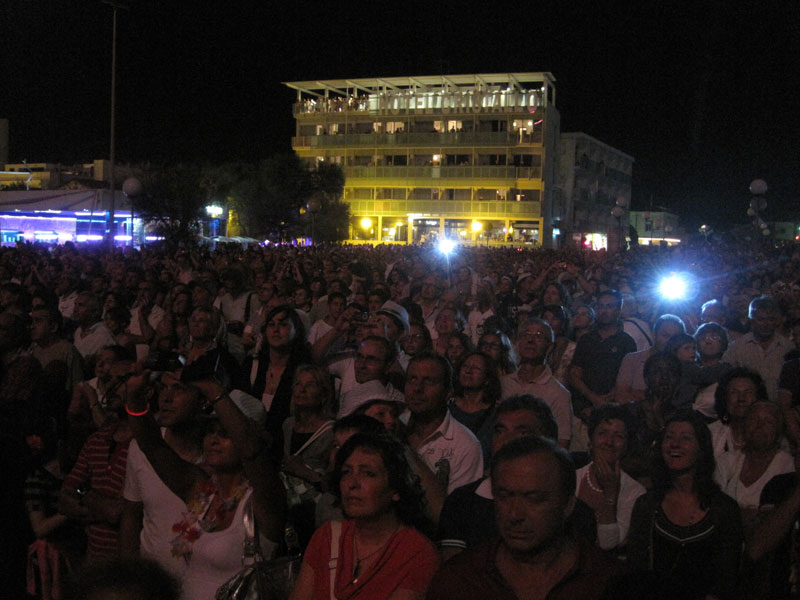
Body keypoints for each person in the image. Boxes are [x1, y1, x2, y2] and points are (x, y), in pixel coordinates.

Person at [123, 377, 286, 600]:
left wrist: (214, 391)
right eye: (210, 432)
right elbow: (152, 446)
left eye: (225, 433)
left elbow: (251, 452)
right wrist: (134, 399)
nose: (213, 440)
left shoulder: (263, 500)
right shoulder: (202, 492)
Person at [427, 435, 624, 600]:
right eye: (504, 497)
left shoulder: (607, 583)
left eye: (534, 499)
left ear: (568, 505)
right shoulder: (462, 580)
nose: (515, 514)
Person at [436, 395, 597, 561]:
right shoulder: (462, 502)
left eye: (522, 432)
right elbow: (455, 571)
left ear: (548, 441)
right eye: (500, 430)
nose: (506, 441)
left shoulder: (573, 512)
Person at [290, 432, 440, 600]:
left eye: (368, 473)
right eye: (346, 472)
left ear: (396, 488)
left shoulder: (416, 555)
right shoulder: (327, 537)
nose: (353, 483)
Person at [627, 410, 743, 600]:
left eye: (686, 438)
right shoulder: (647, 505)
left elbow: (726, 581)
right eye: (669, 437)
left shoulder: (724, 509)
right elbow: (636, 572)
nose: (675, 444)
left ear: (701, 448)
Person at [119, 381, 205, 581]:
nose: (166, 397)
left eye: (179, 389)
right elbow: (131, 514)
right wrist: (129, 576)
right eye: (163, 388)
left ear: (203, 401)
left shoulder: (218, 456)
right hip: (152, 580)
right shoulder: (139, 449)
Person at [404, 352, 484, 495]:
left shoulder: (465, 445)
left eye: (429, 381)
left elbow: (455, 510)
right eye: (412, 379)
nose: (417, 388)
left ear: (448, 392)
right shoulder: (392, 425)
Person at [575, 403, 645, 551]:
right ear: (591, 439)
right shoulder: (572, 478)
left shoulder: (636, 493)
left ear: (626, 445)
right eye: (602, 433)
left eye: (618, 436)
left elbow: (608, 546)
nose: (609, 442)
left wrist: (610, 493)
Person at [716, 401, 794, 530]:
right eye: (753, 419)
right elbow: (715, 509)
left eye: (768, 421)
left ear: (779, 431)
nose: (759, 425)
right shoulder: (726, 461)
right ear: (745, 425)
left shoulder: (788, 465)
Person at [280, 364, 336, 548]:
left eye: (310, 385)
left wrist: (303, 471)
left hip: (315, 511)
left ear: (323, 394)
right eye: (298, 384)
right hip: (289, 507)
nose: (302, 389)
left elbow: (333, 482)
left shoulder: (331, 432)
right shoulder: (288, 426)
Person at [501, 318, 572, 448]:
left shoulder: (558, 393)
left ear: (549, 347)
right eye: (526, 335)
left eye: (538, 336)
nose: (530, 340)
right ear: (517, 343)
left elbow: (562, 441)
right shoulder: (504, 383)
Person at [569, 290, 637, 418]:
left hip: (614, 408)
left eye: (609, 306)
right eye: (600, 306)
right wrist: (593, 398)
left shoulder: (627, 342)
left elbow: (629, 378)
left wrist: (608, 399)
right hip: (584, 407)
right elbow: (574, 374)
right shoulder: (586, 339)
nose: (604, 311)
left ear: (618, 310)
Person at [723, 295, 793, 402]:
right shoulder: (736, 348)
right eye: (761, 319)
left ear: (776, 321)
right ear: (751, 321)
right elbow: (726, 380)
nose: (766, 324)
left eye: (770, 319)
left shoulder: (788, 347)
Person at [449, 351, 501, 460]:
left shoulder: (496, 415)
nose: (468, 371)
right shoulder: (447, 407)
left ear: (487, 379)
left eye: (476, 368)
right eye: (465, 366)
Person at [708, 367, 768, 459]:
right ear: (724, 398)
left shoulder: (770, 434)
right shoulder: (711, 433)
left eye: (748, 392)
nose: (741, 398)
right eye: (734, 392)